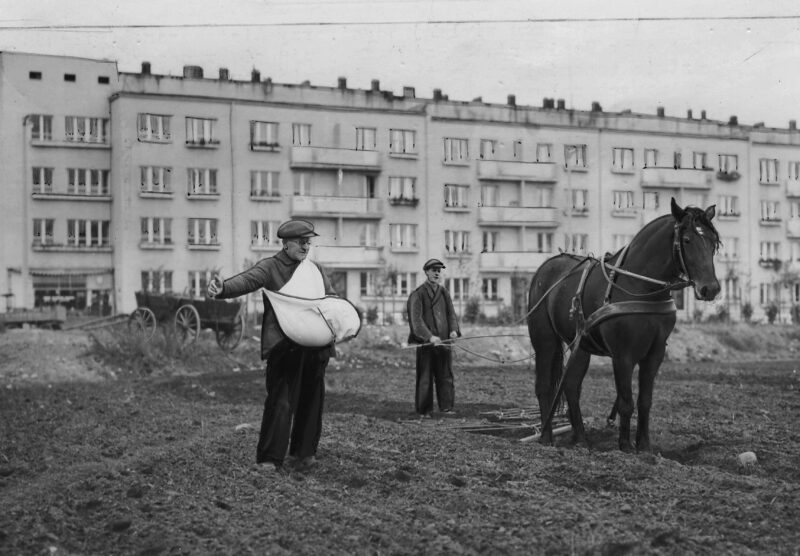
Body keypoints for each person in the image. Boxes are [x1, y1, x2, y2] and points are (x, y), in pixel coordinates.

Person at [207, 219, 336, 473]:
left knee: (312, 401)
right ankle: (269, 458)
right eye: (301, 241)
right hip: (285, 349)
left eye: (308, 241)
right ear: (286, 243)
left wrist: (340, 322)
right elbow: (247, 280)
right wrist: (223, 289)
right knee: (281, 402)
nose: (306, 246)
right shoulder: (271, 267)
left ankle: (303, 454)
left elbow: (330, 299)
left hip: (315, 349)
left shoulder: (315, 270)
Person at [406, 258, 461, 417]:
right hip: (427, 344)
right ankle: (424, 410)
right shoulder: (417, 294)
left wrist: (453, 331)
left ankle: (447, 408)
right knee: (425, 377)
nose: (437, 273)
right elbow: (416, 322)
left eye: (439, 270)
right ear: (426, 272)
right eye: (433, 270)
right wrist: (430, 337)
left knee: (446, 375)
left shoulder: (444, 292)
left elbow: (451, 314)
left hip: (444, 342)